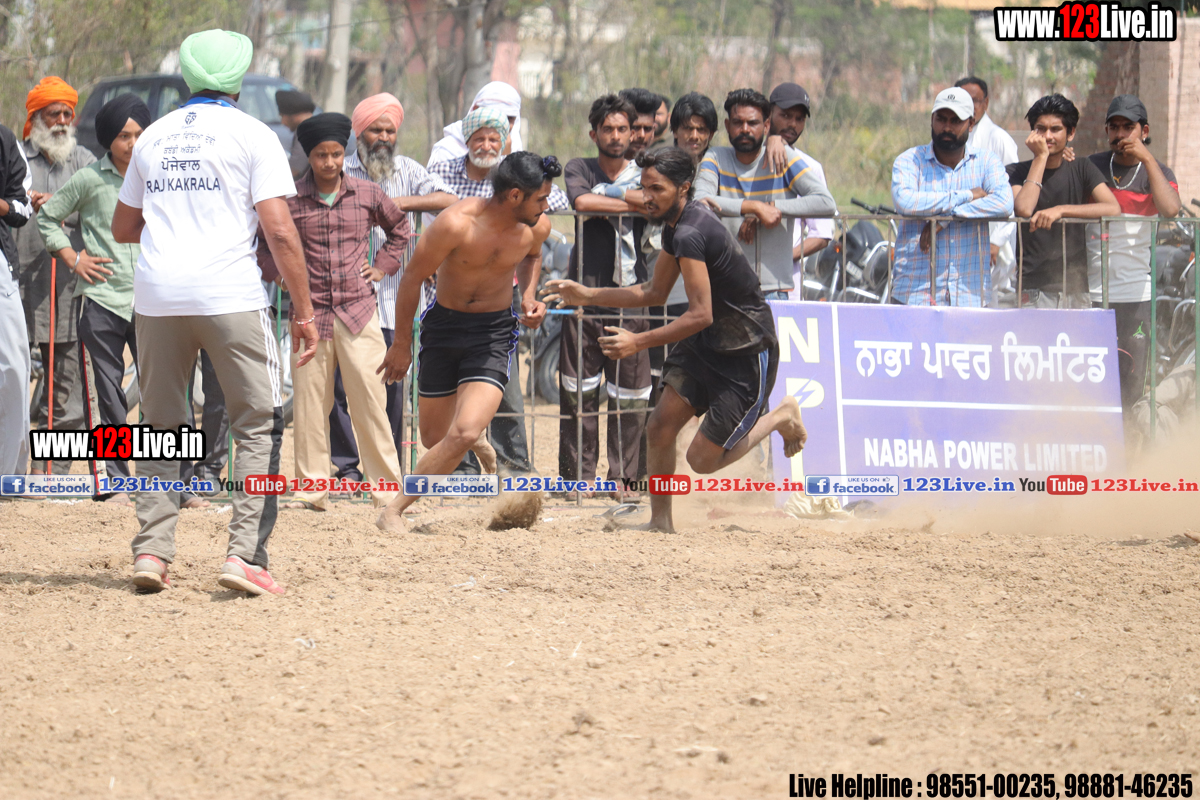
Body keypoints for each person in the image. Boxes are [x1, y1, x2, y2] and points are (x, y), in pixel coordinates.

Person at [112, 28, 319, 595]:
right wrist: (304, 311)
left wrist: (176, 224)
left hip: (157, 297)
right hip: (230, 296)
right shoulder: (254, 135)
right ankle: (245, 557)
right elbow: (280, 230)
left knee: (158, 427)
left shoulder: (153, 136)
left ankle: (152, 552)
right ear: (239, 78)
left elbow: (124, 226)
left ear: (187, 75)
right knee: (257, 422)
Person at [544, 148, 807, 533]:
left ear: (684, 188)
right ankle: (661, 522)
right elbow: (653, 291)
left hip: (746, 350)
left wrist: (638, 342)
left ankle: (781, 415)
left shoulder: (689, 231)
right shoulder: (674, 225)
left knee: (702, 460)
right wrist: (587, 294)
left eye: (657, 189)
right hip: (706, 344)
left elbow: (700, 313)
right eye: (644, 187)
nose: (646, 197)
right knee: (659, 428)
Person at [375, 152, 555, 534]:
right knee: (434, 438)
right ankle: (474, 440)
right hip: (444, 327)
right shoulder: (455, 223)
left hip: (493, 332)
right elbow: (412, 278)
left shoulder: (536, 227)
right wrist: (401, 344)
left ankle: (393, 510)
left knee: (464, 431)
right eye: (540, 198)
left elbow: (533, 257)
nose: (546, 206)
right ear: (515, 196)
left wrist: (528, 296)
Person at [257, 112, 408, 512]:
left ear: (345, 154)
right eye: (321, 155)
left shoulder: (367, 193)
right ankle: (311, 491)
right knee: (309, 407)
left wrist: (382, 266)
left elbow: (401, 230)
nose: (329, 163)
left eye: (336, 154)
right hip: (309, 317)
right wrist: (283, 278)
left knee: (371, 402)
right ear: (309, 156)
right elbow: (263, 245)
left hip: (359, 313)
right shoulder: (289, 200)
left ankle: (388, 492)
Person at [429, 108, 570, 479]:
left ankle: (515, 469)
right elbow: (425, 225)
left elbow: (536, 250)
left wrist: (529, 295)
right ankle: (463, 463)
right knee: (441, 413)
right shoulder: (450, 190)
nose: (487, 144)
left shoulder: (532, 208)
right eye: (479, 137)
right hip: (447, 307)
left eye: (495, 138)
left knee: (504, 389)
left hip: (498, 312)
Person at [330, 93, 457, 485]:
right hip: (344, 297)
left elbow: (449, 200)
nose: (383, 137)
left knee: (392, 387)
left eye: (389, 130)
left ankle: (387, 471)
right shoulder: (340, 170)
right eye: (375, 130)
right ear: (359, 132)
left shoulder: (408, 170)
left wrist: (393, 203)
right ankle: (347, 468)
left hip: (393, 299)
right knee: (340, 388)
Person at [35, 95, 150, 505]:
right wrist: (73, 257)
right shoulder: (88, 179)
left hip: (153, 300)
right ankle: (115, 481)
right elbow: (48, 217)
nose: (131, 144)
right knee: (107, 394)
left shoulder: (157, 177)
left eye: (138, 135)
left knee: (161, 392)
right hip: (101, 300)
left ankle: (166, 479)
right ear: (108, 139)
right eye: (123, 136)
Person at [560, 94, 653, 494]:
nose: (616, 136)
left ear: (633, 133)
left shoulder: (646, 171)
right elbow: (582, 200)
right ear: (594, 133)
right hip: (584, 297)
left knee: (629, 395)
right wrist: (632, 201)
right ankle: (577, 479)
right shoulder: (579, 168)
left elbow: (655, 203)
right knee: (577, 391)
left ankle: (623, 479)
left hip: (632, 297)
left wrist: (613, 197)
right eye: (608, 129)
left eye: (623, 129)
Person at [16, 76, 95, 474]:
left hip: (66, 291)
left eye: (67, 113)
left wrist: (63, 208)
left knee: (66, 386)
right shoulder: (16, 160)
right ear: (36, 118)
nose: (63, 121)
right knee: (12, 379)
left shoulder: (83, 160)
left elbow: (102, 207)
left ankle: (50, 472)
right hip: (17, 288)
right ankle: (12, 467)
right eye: (54, 114)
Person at [694, 88, 836, 299]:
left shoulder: (782, 157)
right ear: (727, 125)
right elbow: (699, 199)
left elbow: (826, 203)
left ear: (766, 126)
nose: (745, 129)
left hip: (772, 289)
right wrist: (753, 207)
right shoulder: (716, 157)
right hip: (725, 286)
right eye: (738, 122)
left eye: (752, 123)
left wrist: (772, 208)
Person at [1085, 94, 1180, 410]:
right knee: (1091, 383)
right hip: (1092, 293)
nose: (1120, 134)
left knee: (1131, 384)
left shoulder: (1159, 173)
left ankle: (1131, 442)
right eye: (1114, 127)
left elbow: (1170, 209)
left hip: (1136, 296)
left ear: (1144, 131)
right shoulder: (1091, 166)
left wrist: (1148, 159)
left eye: (1128, 127)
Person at [890, 87, 1014, 307]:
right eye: (941, 119)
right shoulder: (910, 160)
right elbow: (905, 202)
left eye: (955, 121)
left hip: (970, 296)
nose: (946, 127)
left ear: (971, 124)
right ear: (932, 120)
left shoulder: (986, 162)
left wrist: (946, 219)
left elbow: (1004, 203)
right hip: (914, 294)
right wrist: (968, 195)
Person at [1007, 94, 1120, 308]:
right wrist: (1040, 157)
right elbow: (1024, 208)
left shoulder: (1082, 168)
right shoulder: (1017, 171)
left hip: (1075, 288)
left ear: (1071, 133)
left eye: (1056, 129)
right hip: (1033, 290)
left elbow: (1113, 208)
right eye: (1040, 129)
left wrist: (1061, 210)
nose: (1047, 136)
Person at [956, 76, 1020, 306]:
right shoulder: (954, 140)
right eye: (964, 100)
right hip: (960, 237)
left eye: (975, 100)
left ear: (986, 103)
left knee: (989, 302)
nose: (970, 106)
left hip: (993, 240)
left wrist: (996, 241)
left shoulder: (998, 139)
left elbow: (1012, 194)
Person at [763, 83, 834, 275]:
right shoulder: (747, 158)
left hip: (786, 280)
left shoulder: (809, 168)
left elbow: (821, 234)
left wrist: (783, 258)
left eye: (799, 119)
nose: (793, 125)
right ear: (769, 115)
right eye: (786, 116)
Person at [0, 122, 33, 479]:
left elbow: (23, 207)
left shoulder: (4, 140)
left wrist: (1, 205)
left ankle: (7, 473)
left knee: (12, 367)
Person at [428, 81, 524, 167]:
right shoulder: (448, 150)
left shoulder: (515, 149)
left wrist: (506, 157)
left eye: (509, 119)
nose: (502, 124)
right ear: (475, 111)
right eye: (494, 118)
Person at [276, 89, 316, 179]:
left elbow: (293, 170)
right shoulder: (314, 126)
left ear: (293, 115)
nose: (282, 122)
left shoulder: (307, 131)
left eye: (282, 116)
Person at [618, 88, 661, 160]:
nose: (642, 135)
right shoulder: (600, 165)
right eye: (635, 128)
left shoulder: (658, 166)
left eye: (647, 129)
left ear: (653, 131)